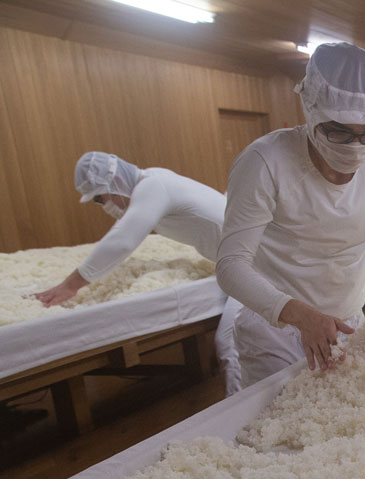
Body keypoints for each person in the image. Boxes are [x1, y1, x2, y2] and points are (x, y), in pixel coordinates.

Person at [216, 42, 365, 387]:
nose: (355, 147)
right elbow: (230, 266)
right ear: (311, 111)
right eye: (339, 132)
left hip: (348, 324)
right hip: (277, 332)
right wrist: (301, 315)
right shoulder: (265, 161)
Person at [33, 152, 245, 393]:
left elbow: (123, 239)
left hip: (254, 262)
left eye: (101, 199)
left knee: (232, 341)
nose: (105, 206)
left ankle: (242, 413)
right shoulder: (155, 179)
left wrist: (70, 285)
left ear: (114, 181)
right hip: (242, 261)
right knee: (237, 340)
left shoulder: (154, 186)